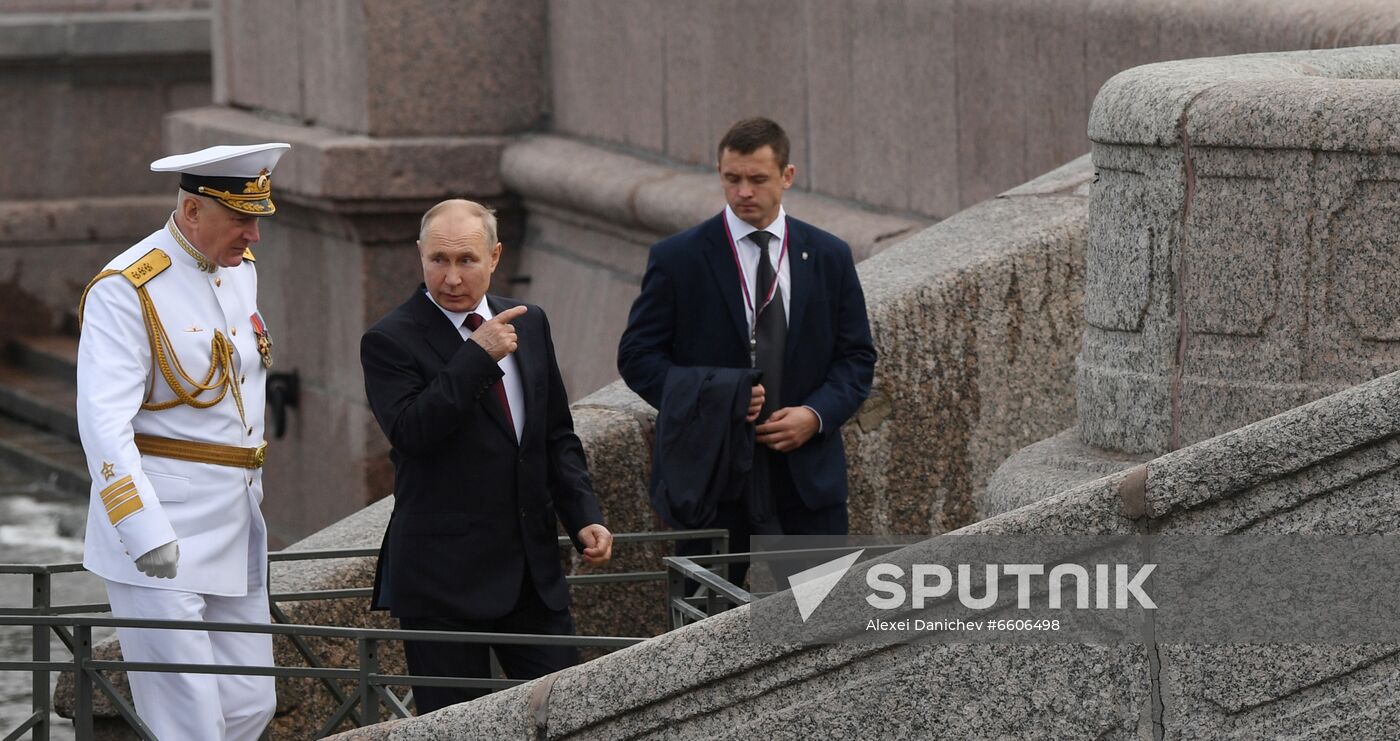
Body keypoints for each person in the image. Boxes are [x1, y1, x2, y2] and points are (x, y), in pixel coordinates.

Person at [360, 198, 613, 713]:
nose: (451, 277)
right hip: (442, 582)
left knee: (571, 714)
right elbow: (412, 433)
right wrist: (476, 356)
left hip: (531, 575)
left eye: (467, 261)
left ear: (495, 257)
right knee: (458, 729)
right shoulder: (390, 339)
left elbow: (554, 435)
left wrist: (583, 514)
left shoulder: (530, 323)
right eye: (438, 260)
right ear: (419, 256)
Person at [76, 142, 290, 739]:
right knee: (185, 717)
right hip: (160, 528)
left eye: (257, 218)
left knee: (251, 702)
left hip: (234, 519)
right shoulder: (127, 287)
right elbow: (102, 423)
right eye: (240, 219)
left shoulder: (239, 273)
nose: (253, 235)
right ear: (193, 211)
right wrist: (140, 528)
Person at [618, 117, 876, 577]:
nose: (743, 192)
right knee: (705, 628)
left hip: (806, 479)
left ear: (787, 176)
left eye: (757, 179)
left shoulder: (829, 256)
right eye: (731, 179)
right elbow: (638, 357)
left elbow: (856, 358)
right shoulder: (679, 258)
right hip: (712, 476)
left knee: (823, 627)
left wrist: (814, 417)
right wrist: (715, 398)